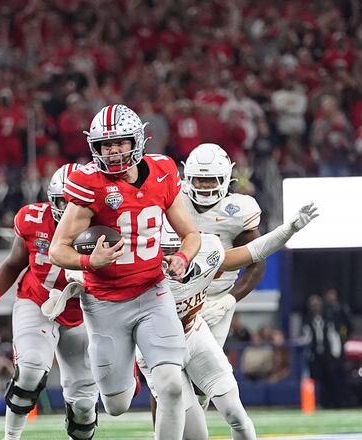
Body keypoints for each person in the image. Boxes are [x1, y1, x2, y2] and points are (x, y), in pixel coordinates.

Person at [49, 104, 201, 439]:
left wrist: (183, 259)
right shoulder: (90, 183)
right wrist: (90, 262)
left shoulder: (162, 170)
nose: (114, 150)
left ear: (137, 140)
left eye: (120, 142)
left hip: (152, 292)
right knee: (116, 404)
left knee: (171, 385)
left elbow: (191, 235)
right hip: (104, 303)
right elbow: (57, 249)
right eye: (106, 145)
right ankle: (124, 371)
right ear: (96, 149)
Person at [136, 204, 316, 439]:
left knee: (236, 413)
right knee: (195, 433)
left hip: (194, 332)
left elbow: (252, 252)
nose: (171, 257)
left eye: (176, 247)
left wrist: (287, 231)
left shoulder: (206, 252)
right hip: (157, 347)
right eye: (164, 249)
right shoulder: (136, 270)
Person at [0, 164, 99, 440]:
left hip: (82, 311)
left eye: (76, 202)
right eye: (63, 201)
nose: (69, 209)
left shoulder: (105, 227)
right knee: (31, 370)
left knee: (83, 404)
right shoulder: (33, 219)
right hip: (36, 302)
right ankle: (11, 437)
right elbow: (12, 265)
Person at [181, 143, 265, 347]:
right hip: (175, 295)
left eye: (211, 180)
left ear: (225, 178)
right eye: (199, 179)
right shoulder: (174, 200)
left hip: (215, 297)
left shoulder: (237, 211)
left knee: (204, 367)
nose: (203, 186)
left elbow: (257, 263)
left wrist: (228, 301)